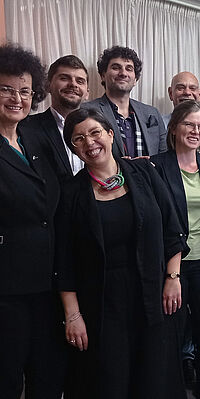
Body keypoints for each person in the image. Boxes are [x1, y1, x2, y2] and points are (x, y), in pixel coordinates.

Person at [55, 108, 188, 399]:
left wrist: (173, 276)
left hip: (153, 297)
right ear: (73, 148)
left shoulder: (144, 173)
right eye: (78, 139)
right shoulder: (71, 192)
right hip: (102, 305)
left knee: (154, 377)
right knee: (111, 381)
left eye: (95, 133)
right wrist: (73, 315)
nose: (89, 142)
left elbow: (172, 227)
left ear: (110, 134)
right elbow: (63, 260)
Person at [0, 43, 65, 399]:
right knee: (7, 378)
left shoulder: (34, 138)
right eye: (6, 89)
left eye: (25, 91)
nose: (17, 98)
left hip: (47, 283)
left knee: (49, 375)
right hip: (7, 289)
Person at [151, 101, 200, 399]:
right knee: (172, 338)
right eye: (189, 125)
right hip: (171, 267)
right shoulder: (155, 166)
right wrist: (171, 274)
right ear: (174, 128)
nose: (195, 131)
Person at [81, 45, 166, 158]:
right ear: (103, 75)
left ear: (135, 79)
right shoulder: (87, 111)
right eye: (116, 68)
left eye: (129, 69)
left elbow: (163, 156)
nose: (123, 73)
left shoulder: (152, 113)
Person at [20, 55, 89, 181]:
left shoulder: (98, 130)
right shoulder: (26, 129)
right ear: (48, 86)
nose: (73, 84)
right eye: (64, 78)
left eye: (80, 81)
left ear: (87, 93)